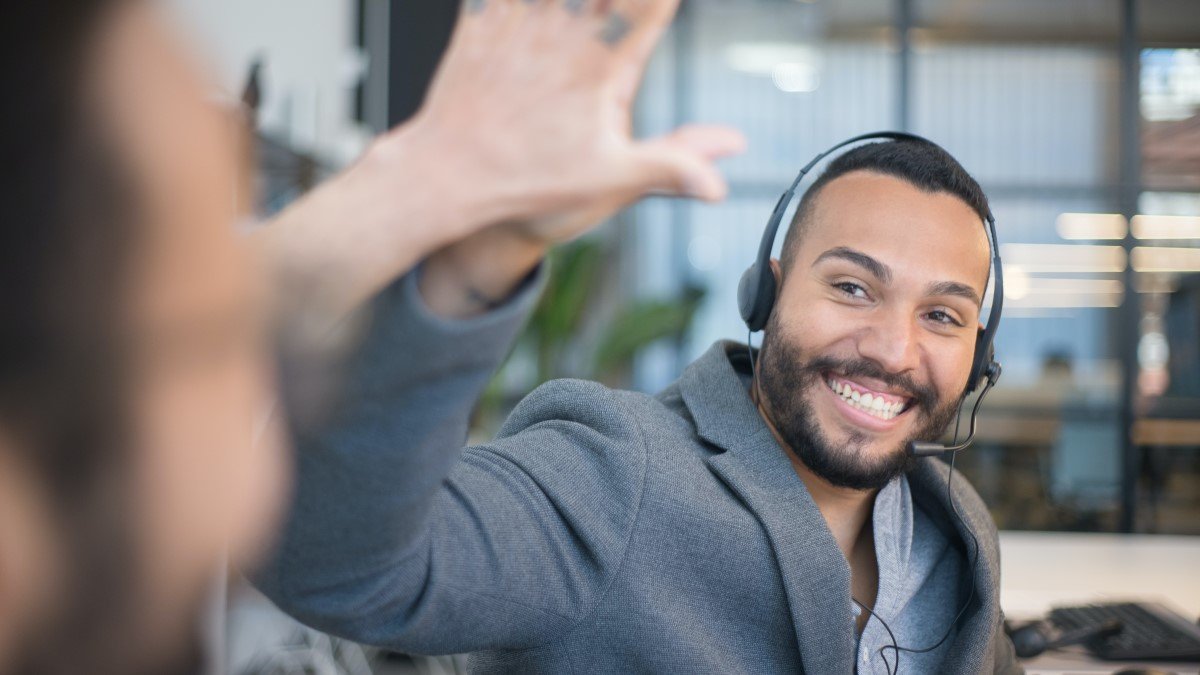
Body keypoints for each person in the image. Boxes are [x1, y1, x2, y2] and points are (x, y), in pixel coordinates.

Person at [0, 0, 740, 673]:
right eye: (227, 345)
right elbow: (339, 560)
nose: (266, 427)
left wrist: (429, 183)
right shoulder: (627, 472)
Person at [256, 133, 1026, 671]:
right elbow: (328, 559)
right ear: (768, 290)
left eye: (942, 315)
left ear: (978, 355)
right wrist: (469, 270)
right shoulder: (615, 468)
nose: (895, 350)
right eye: (853, 287)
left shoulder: (952, 524)